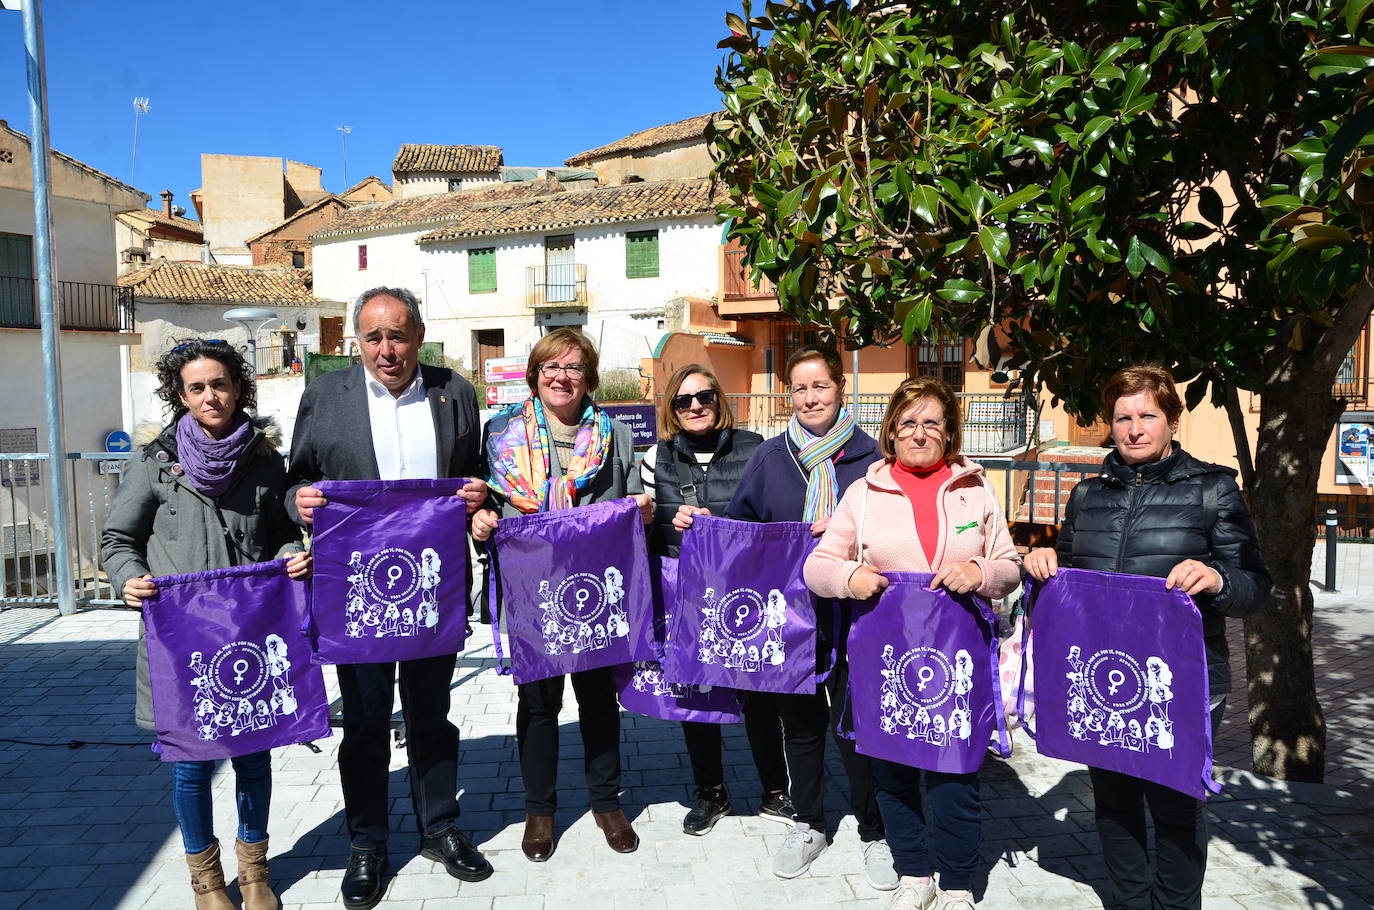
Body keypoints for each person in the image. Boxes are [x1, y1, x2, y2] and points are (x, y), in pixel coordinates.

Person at [1023, 364, 1270, 910]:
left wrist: (1218, 578)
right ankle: (1130, 901)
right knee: (1112, 798)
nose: (1134, 428)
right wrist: (1041, 562)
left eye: (1147, 416)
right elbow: (1067, 572)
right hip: (1101, 675)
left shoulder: (1212, 489)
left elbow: (1255, 585)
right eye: (1122, 418)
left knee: (1176, 799)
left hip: (1182, 677)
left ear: (1172, 421)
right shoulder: (1087, 495)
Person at [286, 287, 492, 909]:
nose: (387, 349)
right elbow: (295, 476)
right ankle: (367, 843)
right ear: (356, 341)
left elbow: (474, 467)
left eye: (398, 335)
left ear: (419, 333)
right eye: (373, 337)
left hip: (432, 586)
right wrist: (299, 500)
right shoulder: (326, 397)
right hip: (358, 597)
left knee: (432, 716)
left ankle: (440, 828)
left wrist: (478, 496)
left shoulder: (454, 391)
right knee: (367, 722)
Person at [102, 337, 311, 910]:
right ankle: (206, 882)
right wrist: (129, 578)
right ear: (181, 394)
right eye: (196, 387)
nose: (210, 396)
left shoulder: (264, 459)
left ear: (238, 386)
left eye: (219, 383)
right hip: (182, 642)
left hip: (249, 632)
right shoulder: (154, 462)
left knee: (252, 759)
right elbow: (117, 539)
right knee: (192, 768)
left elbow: (280, 530)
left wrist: (294, 553)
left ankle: (254, 873)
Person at [675, 346, 895, 889]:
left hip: (859, 615)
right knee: (800, 727)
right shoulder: (772, 458)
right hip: (790, 620)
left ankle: (876, 830)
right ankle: (811, 821)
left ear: (841, 388)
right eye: (800, 388)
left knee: (856, 724)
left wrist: (847, 536)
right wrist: (705, 524)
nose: (811, 397)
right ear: (788, 396)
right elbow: (743, 530)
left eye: (820, 386)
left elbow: (897, 532)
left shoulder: (874, 459)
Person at [803, 376, 1022, 910]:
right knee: (893, 770)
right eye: (908, 423)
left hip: (958, 656)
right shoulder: (863, 492)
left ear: (949, 434)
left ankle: (959, 882)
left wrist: (981, 570)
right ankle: (914, 873)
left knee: (955, 772)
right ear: (891, 433)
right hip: (886, 658)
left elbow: (1011, 565)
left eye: (932, 423)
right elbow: (818, 565)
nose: (919, 432)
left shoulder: (977, 488)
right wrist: (850, 577)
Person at [470, 327, 652, 862]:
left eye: (574, 368)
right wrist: (479, 520)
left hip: (594, 589)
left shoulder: (613, 434)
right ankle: (539, 810)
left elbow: (633, 499)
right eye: (551, 366)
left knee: (598, 699)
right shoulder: (500, 434)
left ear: (589, 377)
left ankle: (605, 802)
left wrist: (640, 508)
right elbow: (484, 499)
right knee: (539, 703)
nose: (562, 377)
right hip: (532, 590)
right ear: (535, 374)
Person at [637, 363, 792, 835]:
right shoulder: (654, 458)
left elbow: (770, 521)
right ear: (671, 409)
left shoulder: (757, 450)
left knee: (759, 692)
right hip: (684, 592)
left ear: (718, 399)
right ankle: (711, 793)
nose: (695, 407)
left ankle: (775, 789)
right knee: (696, 694)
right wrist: (658, 521)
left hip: (745, 587)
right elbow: (644, 530)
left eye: (703, 396)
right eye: (683, 401)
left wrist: (718, 522)